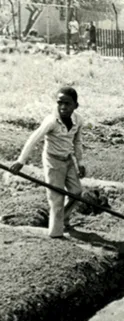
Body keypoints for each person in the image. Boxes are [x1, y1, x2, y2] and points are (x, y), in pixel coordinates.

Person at [10, 87, 85, 239]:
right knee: (57, 198)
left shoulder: (78, 120)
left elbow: (77, 142)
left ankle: (62, 219)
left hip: (68, 159)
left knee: (76, 192)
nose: (63, 107)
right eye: (60, 103)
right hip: (53, 161)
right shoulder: (51, 121)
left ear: (75, 106)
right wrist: (20, 161)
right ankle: (56, 235)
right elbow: (33, 139)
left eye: (67, 104)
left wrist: (80, 163)